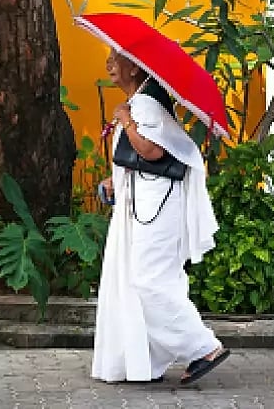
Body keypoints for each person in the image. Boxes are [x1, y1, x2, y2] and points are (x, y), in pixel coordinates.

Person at [91, 50, 231, 385]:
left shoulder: (145, 104)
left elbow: (153, 150)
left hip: (156, 209)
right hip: (146, 204)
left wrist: (125, 118)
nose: (109, 65)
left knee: (148, 280)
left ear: (136, 68)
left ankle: (204, 347)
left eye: (116, 59)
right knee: (147, 279)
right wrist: (115, 179)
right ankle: (145, 363)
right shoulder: (142, 101)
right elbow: (141, 159)